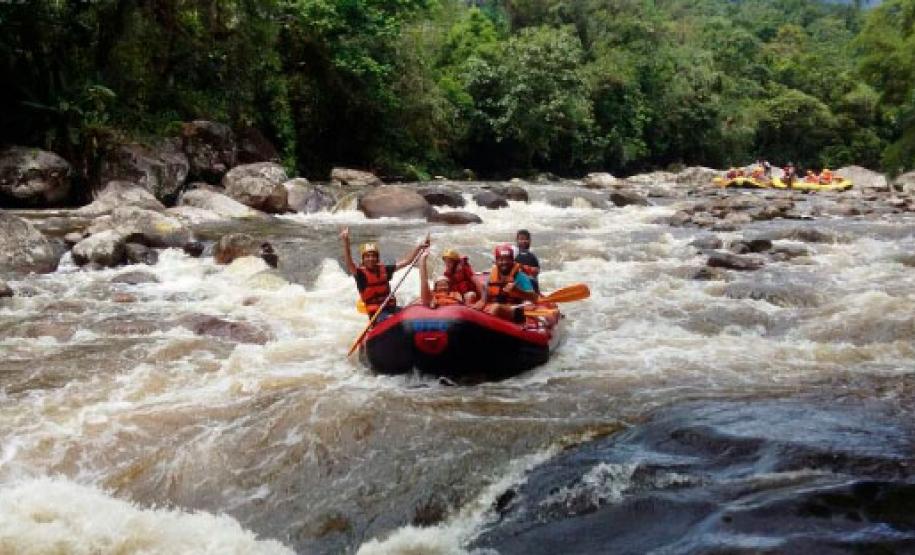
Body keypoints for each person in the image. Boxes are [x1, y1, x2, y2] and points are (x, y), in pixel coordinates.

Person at [340, 227, 429, 320]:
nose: (371, 258)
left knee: (416, 308)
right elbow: (349, 262)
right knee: (391, 318)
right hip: (377, 314)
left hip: (391, 308)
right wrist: (346, 241)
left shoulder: (385, 269)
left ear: (377, 258)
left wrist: (419, 247)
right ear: (363, 260)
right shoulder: (360, 274)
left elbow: (407, 261)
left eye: (374, 256)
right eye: (367, 256)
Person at [473, 243, 539, 322]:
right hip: (495, 308)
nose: (504, 262)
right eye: (501, 260)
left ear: (512, 260)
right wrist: (479, 303)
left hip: (515, 310)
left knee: (496, 308)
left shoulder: (520, 277)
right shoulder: (491, 276)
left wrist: (517, 291)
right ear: (496, 262)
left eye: (507, 259)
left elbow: (534, 298)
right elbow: (484, 298)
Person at [513, 229, 540, 294]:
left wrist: (523, 268)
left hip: (530, 286)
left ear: (530, 241)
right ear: (517, 241)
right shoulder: (513, 255)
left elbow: (536, 272)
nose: (524, 241)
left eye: (526, 239)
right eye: (521, 239)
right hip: (516, 285)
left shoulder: (532, 257)